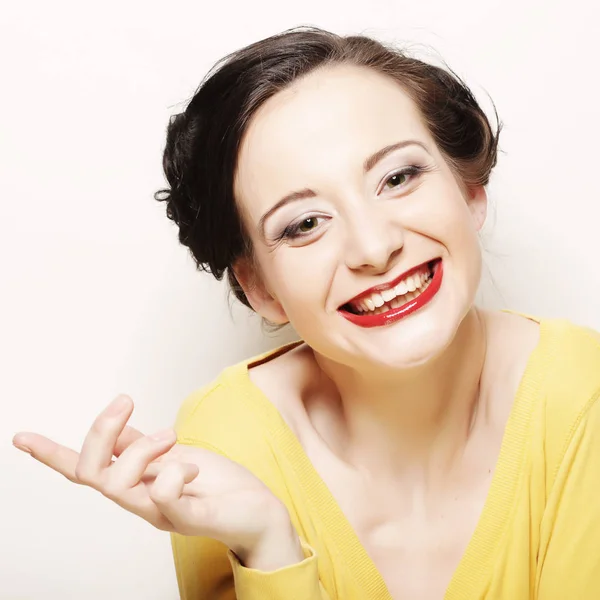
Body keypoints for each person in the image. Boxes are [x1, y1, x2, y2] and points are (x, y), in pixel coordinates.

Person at [12, 26, 600, 600]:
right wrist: (269, 550)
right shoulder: (226, 442)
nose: (374, 248)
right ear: (259, 287)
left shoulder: (583, 394)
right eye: (304, 224)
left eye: (398, 177)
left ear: (469, 190)